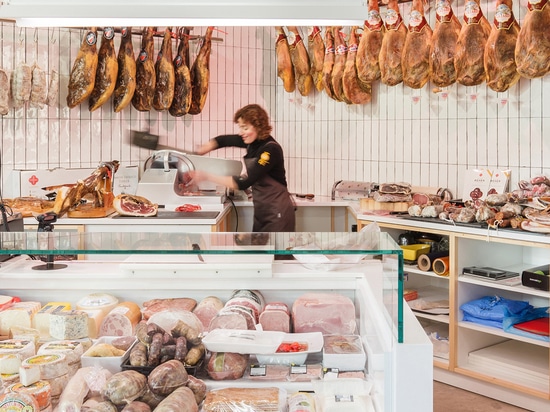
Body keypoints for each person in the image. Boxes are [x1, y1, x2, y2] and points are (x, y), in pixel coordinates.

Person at [192, 104, 296, 232]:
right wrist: (203, 149)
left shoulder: (270, 150)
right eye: (240, 127)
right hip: (262, 210)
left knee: (277, 251)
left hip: (278, 213)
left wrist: (207, 176)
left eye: (245, 128)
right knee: (260, 250)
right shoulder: (252, 142)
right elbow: (224, 140)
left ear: (259, 127)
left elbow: (243, 182)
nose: (241, 133)